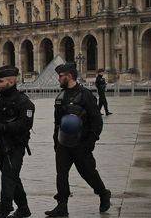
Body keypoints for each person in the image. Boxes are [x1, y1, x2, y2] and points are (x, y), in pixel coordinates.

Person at [45, 63, 111, 217]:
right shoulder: (61, 97)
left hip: (81, 143)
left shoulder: (85, 95)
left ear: (69, 76)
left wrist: (90, 141)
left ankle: (103, 193)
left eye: (60, 76)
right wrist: (56, 142)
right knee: (61, 174)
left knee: (87, 173)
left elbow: (96, 120)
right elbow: (57, 122)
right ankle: (62, 205)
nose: (58, 79)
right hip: (63, 143)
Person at [0, 66, 34, 218]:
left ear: (11, 82)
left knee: (8, 176)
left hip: (16, 145)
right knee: (12, 176)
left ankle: (4, 210)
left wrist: (4, 127)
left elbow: (25, 124)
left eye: (0, 81)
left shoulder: (23, 102)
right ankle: (23, 208)